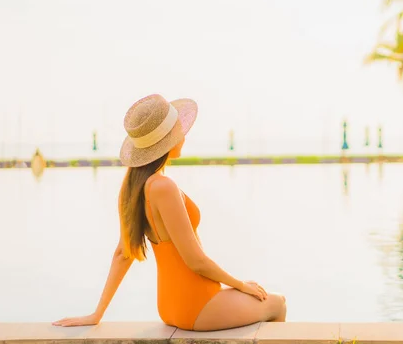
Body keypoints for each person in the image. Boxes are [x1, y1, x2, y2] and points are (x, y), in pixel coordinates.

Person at [53, 94, 286, 331]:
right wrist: (240, 285)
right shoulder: (164, 187)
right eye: (179, 131)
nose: (184, 136)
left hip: (169, 305)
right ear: (168, 141)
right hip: (197, 305)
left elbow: (123, 254)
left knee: (264, 300)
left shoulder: (134, 188)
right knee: (278, 303)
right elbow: (196, 261)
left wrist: (97, 313)